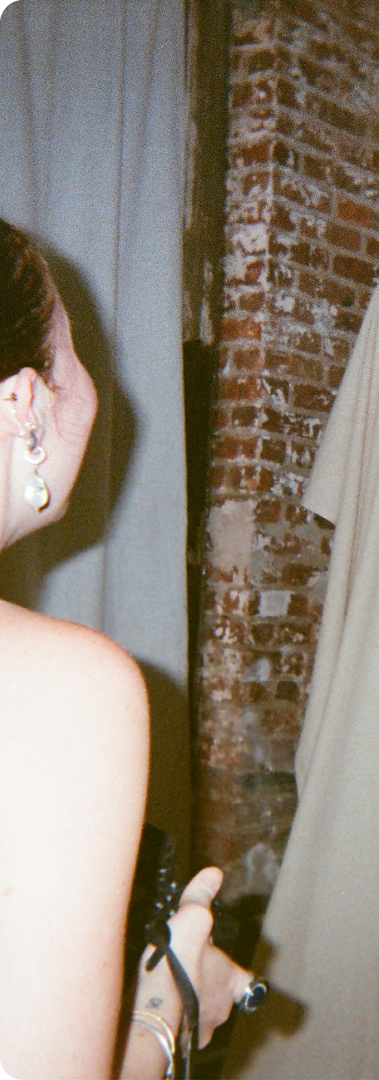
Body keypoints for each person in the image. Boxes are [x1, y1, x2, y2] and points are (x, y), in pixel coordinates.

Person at [0, 218, 256, 1078]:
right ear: (22, 404)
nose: (103, 395)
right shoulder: (67, 687)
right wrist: (163, 1007)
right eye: (76, 359)